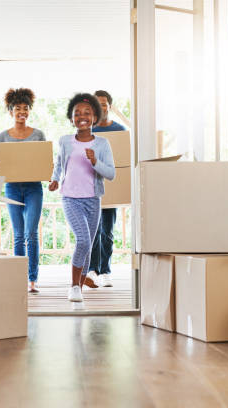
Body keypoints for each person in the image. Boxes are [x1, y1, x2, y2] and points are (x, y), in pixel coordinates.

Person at [49, 93, 115, 302]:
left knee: (88, 244)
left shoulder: (103, 144)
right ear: (71, 119)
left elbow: (111, 174)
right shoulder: (65, 141)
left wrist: (95, 161)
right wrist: (55, 179)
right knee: (83, 240)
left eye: (87, 113)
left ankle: (81, 282)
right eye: (77, 114)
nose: (82, 117)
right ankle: (74, 286)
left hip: (93, 199)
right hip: (70, 198)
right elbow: (59, 164)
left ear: (95, 117)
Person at [0, 88, 46, 293]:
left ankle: (32, 279)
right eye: (17, 108)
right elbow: (1, 164)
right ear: (10, 112)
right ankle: (20, 279)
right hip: (12, 188)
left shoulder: (38, 134)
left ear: (29, 111)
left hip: (34, 187)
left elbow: (43, 161)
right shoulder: (2, 136)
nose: (22, 112)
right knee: (18, 235)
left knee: (31, 234)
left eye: (25, 108)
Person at [87, 90, 127, 288]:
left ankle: (106, 271)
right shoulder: (89, 131)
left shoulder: (120, 130)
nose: (101, 107)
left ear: (109, 106)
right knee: (92, 231)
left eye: (104, 104)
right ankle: (92, 270)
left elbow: (124, 160)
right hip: (92, 186)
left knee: (107, 231)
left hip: (112, 185)